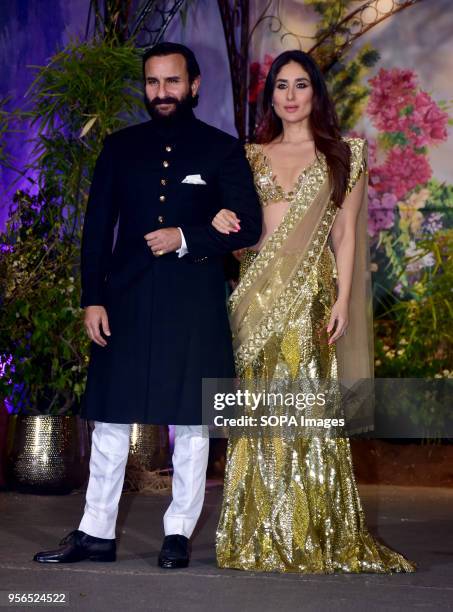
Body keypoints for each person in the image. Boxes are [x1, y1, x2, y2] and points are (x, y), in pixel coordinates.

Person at [33, 42, 262, 568]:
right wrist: (92, 298)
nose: (161, 93)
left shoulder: (221, 150)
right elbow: (95, 232)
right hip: (127, 296)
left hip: (193, 300)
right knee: (112, 418)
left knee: (191, 422)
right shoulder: (119, 147)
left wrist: (186, 235)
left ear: (194, 85)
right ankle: (95, 533)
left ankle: (177, 534)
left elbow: (247, 223)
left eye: (172, 82)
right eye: (153, 83)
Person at [213, 50, 416, 573]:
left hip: (310, 297)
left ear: (315, 93)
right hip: (255, 294)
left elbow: (345, 234)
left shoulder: (344, 154)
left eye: (301, 85)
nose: (290, 95)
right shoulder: (250, 154)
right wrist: (224, 228)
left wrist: (343, 298)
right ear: (271, 95)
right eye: (281, 85)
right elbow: (238, 226)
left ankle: (310, 530)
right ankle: (256, 532)